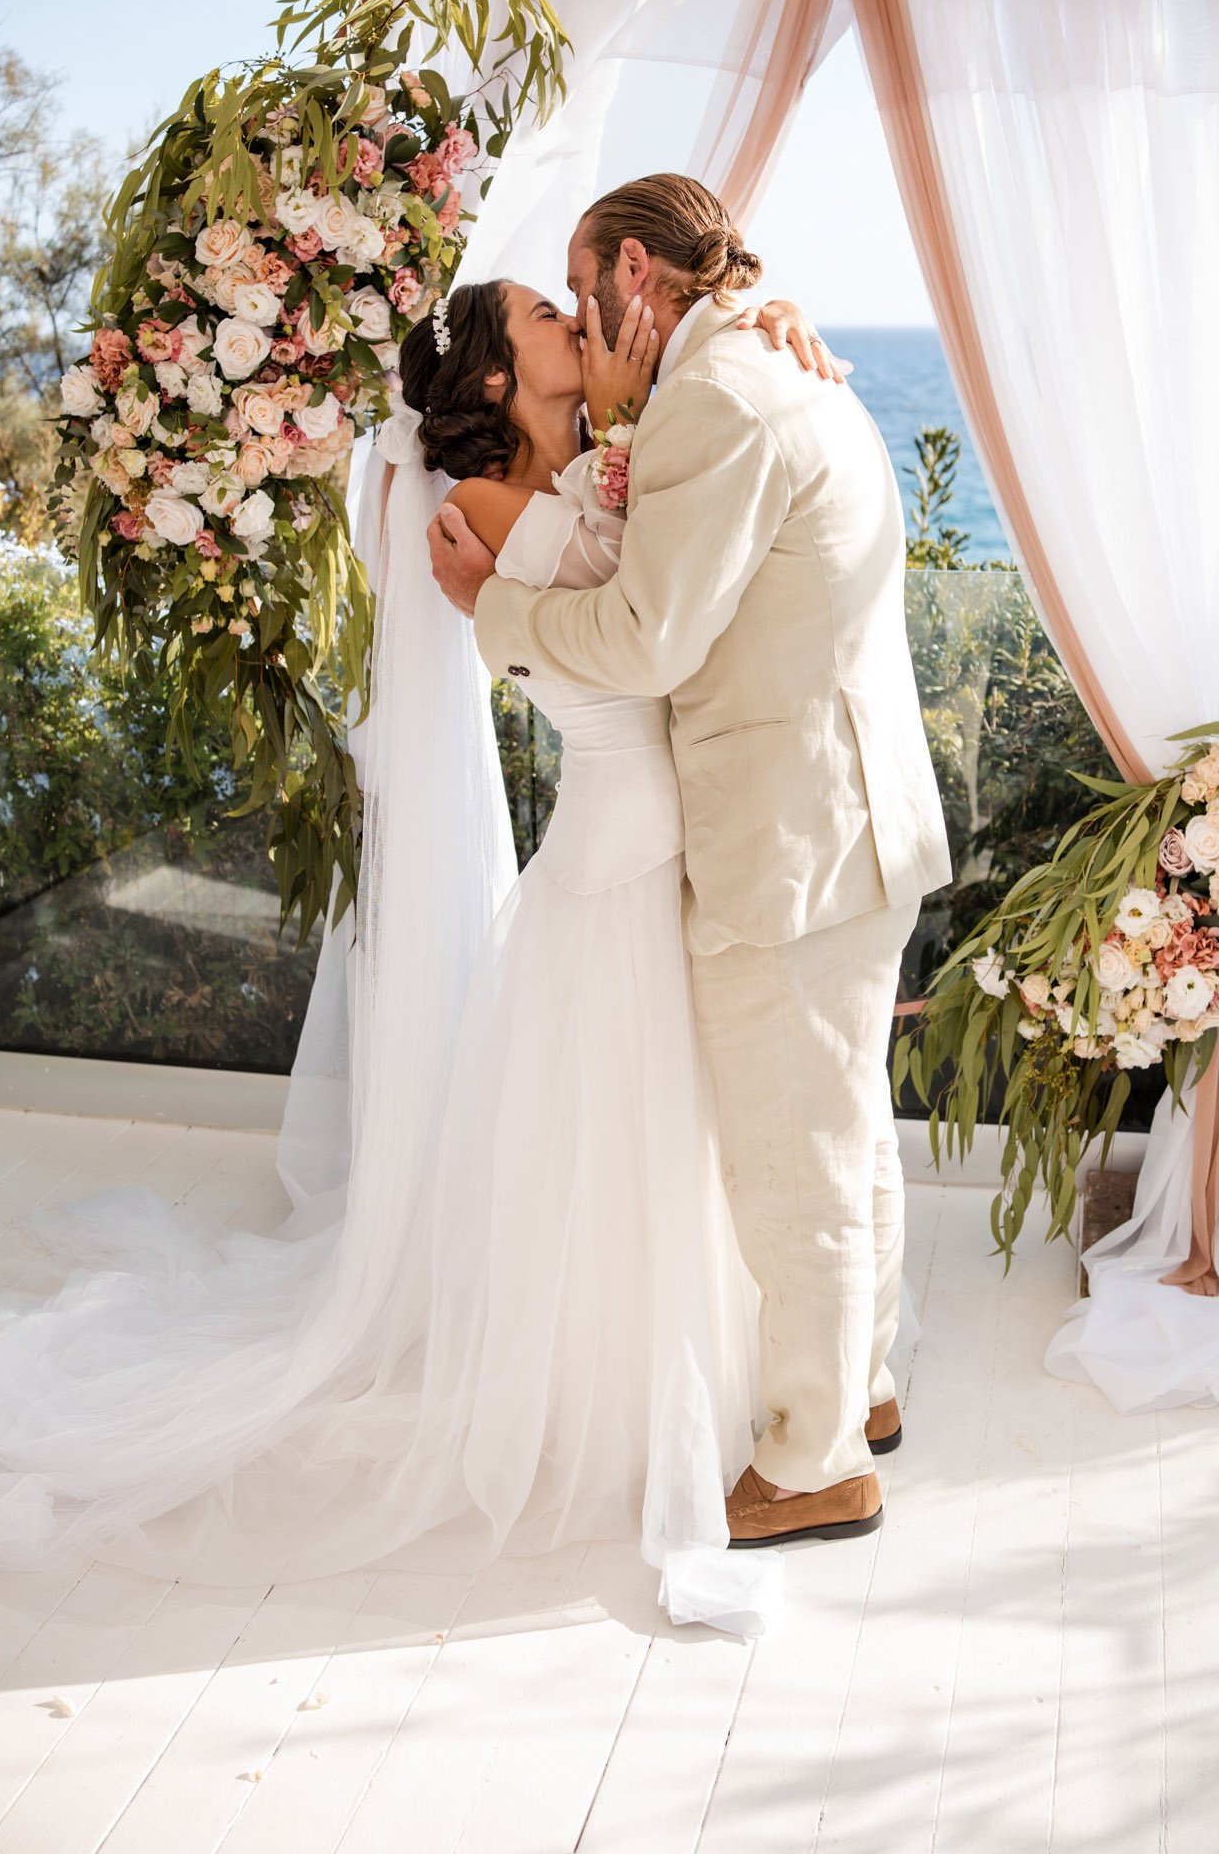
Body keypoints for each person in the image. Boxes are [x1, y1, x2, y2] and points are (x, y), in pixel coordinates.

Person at [0, 265, 835, 1637]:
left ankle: (735, 1357)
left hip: (654, 837)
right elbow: (640, 647)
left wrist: (765, 315)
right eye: (546, 320)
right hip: (622, 847)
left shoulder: (608, 454)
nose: (576, 321)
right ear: (495, 381)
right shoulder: (492, 509)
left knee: (671, 1125)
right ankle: (633, 1389)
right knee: (634, 1128)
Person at [430, 173, 953, 1548]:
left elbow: (652, 640)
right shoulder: (750, 368)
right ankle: (862, 1388)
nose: (586, 327)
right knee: (838, 1137)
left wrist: (496, 616)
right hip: (834, 817)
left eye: (583, 288)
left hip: (790, 835)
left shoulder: (723, 393)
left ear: (641, 280)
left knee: (797, 1166)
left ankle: (810, 1462)